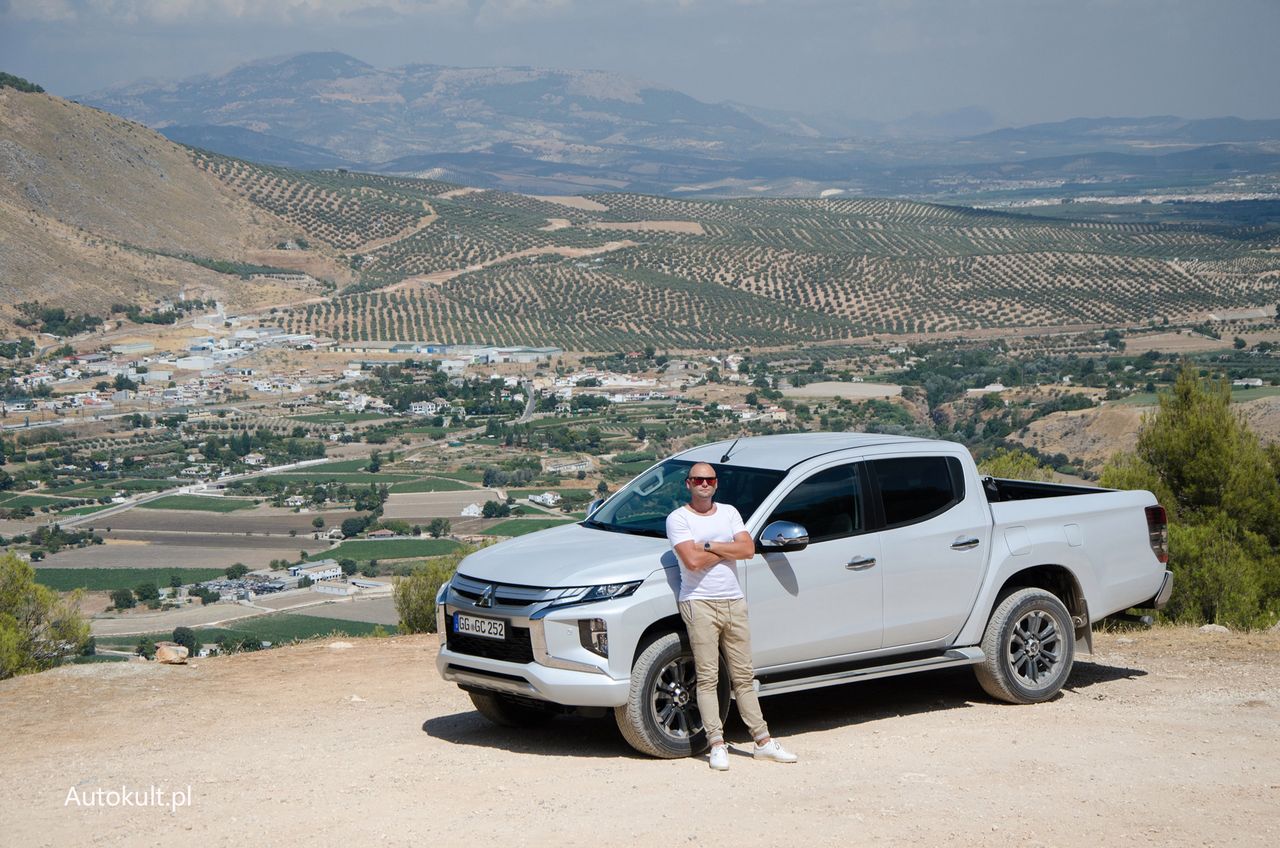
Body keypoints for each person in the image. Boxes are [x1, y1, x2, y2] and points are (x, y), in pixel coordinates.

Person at [665, 461, 798, 770]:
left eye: (709, 479)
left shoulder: (729, 512)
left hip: (734, 601)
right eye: (697, 479)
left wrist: (709, 544)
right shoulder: (678, 518)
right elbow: (692, 560)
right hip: (699, 602)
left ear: (716, 484)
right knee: (708, 676)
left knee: (743, 676)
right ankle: (716, 743)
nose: (704, 484)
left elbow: (748, 549)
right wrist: (728, 548)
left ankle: (763, 741)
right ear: (688, 484)